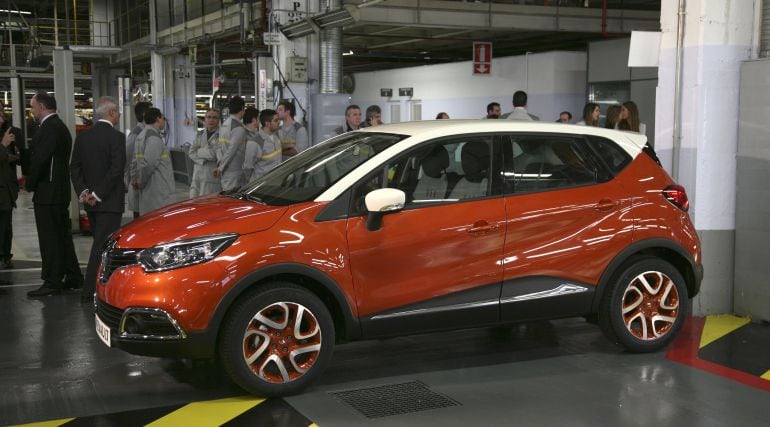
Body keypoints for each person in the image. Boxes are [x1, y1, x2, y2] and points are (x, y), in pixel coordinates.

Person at [25, 92, 83, 297]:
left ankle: (52, 281)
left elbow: (41, 160)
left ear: (42, 106)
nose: (31, 111)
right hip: (57, 192)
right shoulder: (59, 127)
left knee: (50, 239)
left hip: (48, 193)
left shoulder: (49, 129)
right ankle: (73, 276)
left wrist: (29, 183)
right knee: (62, 237)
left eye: (32, 107)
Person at [69, 96, 126, 303]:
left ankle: (97, 288)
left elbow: (75, 167)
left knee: (98, 242)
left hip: (90, 203)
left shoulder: (83, 137)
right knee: (103, 247)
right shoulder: (117, 138)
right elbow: (116, 170)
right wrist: (98, 194)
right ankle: (91, 290)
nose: (119, 114)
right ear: (110, 113)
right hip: (109, 203)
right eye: (118, 111)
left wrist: (85, 192)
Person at [135, 108, 174, 215]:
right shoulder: (153, 138)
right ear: (157, 119)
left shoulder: (142, 135)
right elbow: (149, 164)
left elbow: (135, 161)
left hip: (150, 189)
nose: (164, 121)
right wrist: (141, 183)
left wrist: (136, 178)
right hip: (158, 188)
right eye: (163, 118)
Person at [0, 104, 25, 269]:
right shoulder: (5, 138)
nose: (1, 117)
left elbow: (20, 156)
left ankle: (5, 255)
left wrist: (15, 154)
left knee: (5, 225)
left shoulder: (12, 131)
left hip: (6, 189)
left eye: (1, 111)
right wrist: (2, 146)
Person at [126, 101, 152, 219]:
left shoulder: (148, 132)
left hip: (146, 183)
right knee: (139, 217)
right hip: (137, 183)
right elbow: (129, 158)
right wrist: (132, 179)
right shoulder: (135, 134)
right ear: (144, 114)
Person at [215, 96, 247, 190]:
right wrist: (220, 168)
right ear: (242, 109)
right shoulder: (238, 128)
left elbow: (219, 147)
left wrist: (220, 164)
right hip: (234, 170)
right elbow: (232, 150)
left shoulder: (225, 124)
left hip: (226, 168)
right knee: (232, 197)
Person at [188, 108, 221, 197]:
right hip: (197, 173)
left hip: (211, 175)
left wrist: (199, 151)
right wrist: (204, 159)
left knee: (208, 203)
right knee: (193, 201)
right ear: (205, 119)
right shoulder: (200, 134)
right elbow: (191, 152)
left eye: (214, 118)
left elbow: (214, 154)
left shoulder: (221, 135)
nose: (211, 120)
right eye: (209, 117)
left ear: (219, 120)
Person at [244, 108, 282, 182]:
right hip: (260, 186)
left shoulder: (276, 138)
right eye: (276, 120)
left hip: (276, 183)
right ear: (267, 123)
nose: (279, 122)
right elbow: (247, 167)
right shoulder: (254, 142)